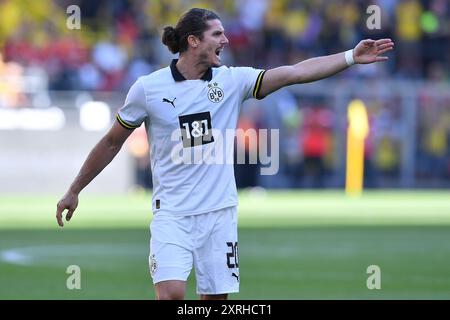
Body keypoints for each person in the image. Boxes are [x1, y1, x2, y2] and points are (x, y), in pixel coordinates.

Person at [56, 8, 394, 300]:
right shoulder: (149, 88)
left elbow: (295, 72)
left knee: (215, 299)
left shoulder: (233, 81)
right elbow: (112, 142)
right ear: (193, 41)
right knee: (172, 293)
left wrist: (350, 57)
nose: (226, 40)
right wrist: (74, 189)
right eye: (217, 34)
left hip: (219, 214)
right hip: (172, 214)